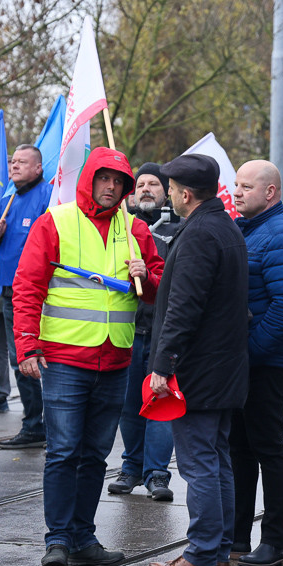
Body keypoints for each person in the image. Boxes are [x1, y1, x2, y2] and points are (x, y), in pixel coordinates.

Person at [14, 147, 163, 566]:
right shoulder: (56, 222)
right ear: (89, 180)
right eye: (104, 179)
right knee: (62, 452)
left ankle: (82, 536)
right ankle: (58, 540)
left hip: (115, 359)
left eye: (119, 182)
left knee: (96, 455)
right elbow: (28, 286)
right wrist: (27, 346)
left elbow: (158, 289)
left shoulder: (135, 229)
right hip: (64, 360)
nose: (111, 187)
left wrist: (147, 276)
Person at [147, 154, 249, 566]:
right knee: (216, 459)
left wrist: (163, 366)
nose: (168, 194)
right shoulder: (223, 226)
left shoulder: (198, 235)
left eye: (170, 188)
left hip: (198, 370)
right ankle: (218, 548)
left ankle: (204, 551)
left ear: (185, 194)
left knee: (199, 463)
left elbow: (182, 309)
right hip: (223, 366)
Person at [227, 159, 283, 566]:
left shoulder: (281, 234)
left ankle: (275, 542)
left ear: (270, 192)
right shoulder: (251, 229)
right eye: (236, 185)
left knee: (267, 447)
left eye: (245, 186)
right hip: (248, 360)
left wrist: (249, 353)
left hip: (266, 362)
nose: (237, 192)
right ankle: (238, 536)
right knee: (240, 448)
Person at [108, 162, 178, 501]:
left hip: (165, 331)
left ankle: (157, 474)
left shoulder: (180, 230)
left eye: (154, 183)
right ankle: (131, 468)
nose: (146, 188)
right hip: (129, 329)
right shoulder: (121, 227)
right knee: (128, 404)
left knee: (160, 401)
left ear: (167, 191)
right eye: (140, 184)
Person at [0, 144, 51, 449]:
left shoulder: (49, 197)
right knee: (19, 359)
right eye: (12, 161)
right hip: (9, 290)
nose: (14, 166)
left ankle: (51, 422)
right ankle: (33, 424)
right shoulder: (6, 199)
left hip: (39, 293)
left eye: (21, 162)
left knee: (43, 358)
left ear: (38, 168)